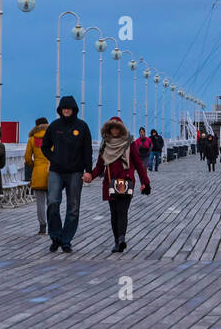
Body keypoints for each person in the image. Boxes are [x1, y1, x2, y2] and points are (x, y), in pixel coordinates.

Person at [85, 117, 151, 253]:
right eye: (112, 128)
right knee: (114, 213)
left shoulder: (129, 143)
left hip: (125, 182)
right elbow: (99, 166)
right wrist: (91, 175)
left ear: (121, 129)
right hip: (110, 183)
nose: (114, 130)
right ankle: (117, 241)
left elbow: (138, 163)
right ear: (108, 129)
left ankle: (121, 238)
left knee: (122, 211)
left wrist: (146, 182)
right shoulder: (105, 145)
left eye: (117, 128)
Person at [39, 95, 93, 253]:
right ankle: (55, 236)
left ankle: (66, 239)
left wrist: (88, 170)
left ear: (74, 109)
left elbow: (87, 150)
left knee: (73, 207)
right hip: (56, 171)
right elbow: (45, 146)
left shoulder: (82, 127)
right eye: (64, 108)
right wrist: (53, 158)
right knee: (53, 202)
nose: (66, 110)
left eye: (69, 108)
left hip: (76, 172)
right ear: (60, 110)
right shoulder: (55, 126)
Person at [23, 116, 51, 235]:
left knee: (40, 202)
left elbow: (27, 158)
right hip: (52, 172)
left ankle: (42, 226)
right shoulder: (53, 137)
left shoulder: (32, 139)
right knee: (52, 202)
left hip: (38, 172)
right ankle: (53, 224)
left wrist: (35, 165)